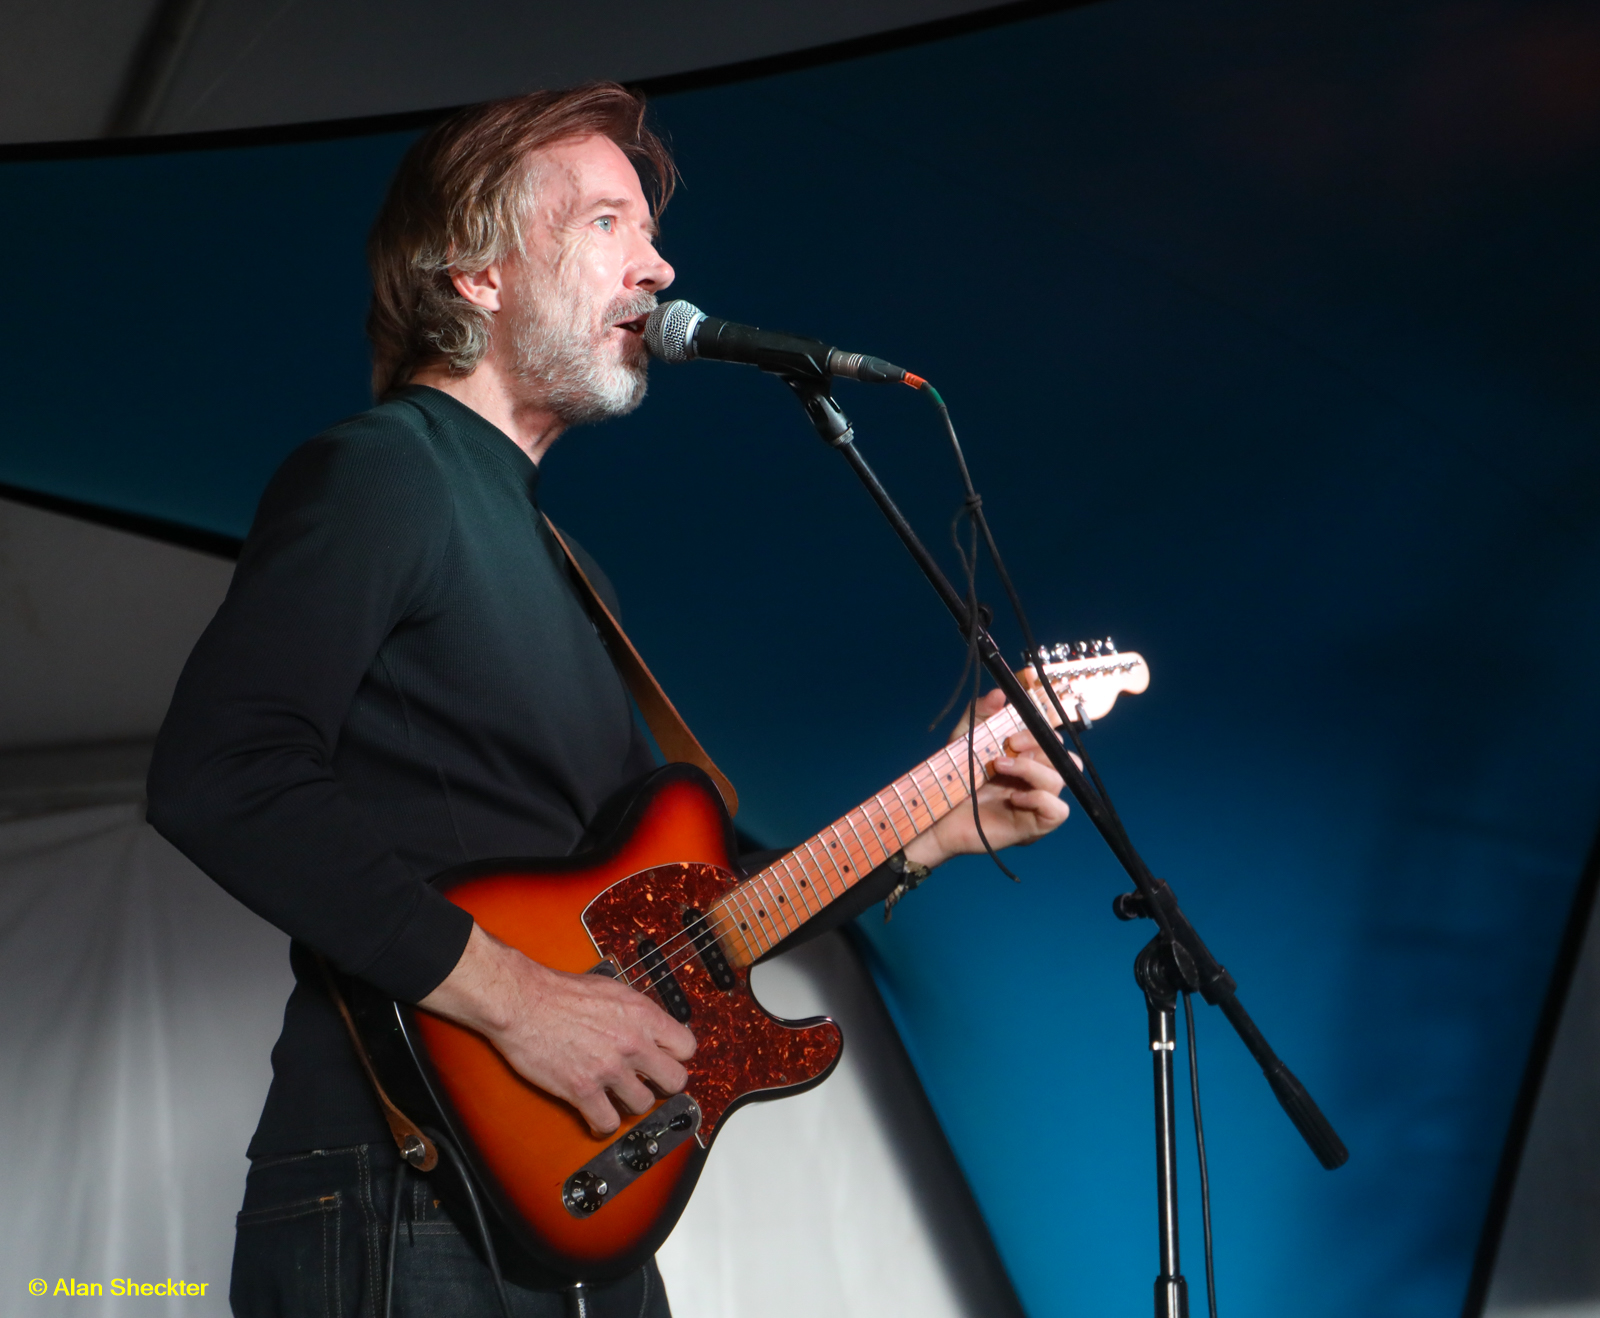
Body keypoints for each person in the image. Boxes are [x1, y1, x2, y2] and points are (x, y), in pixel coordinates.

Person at [147, 83, 1070, 1318]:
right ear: (475, 274)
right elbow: (221, 769)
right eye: (605, 223)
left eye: (647, 229)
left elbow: (691, 922)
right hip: (400, 1179)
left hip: (572, 1190)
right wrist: (521, 1002)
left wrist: (938, 823)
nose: (659, 261)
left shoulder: (563, 560)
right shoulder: (381, 474)